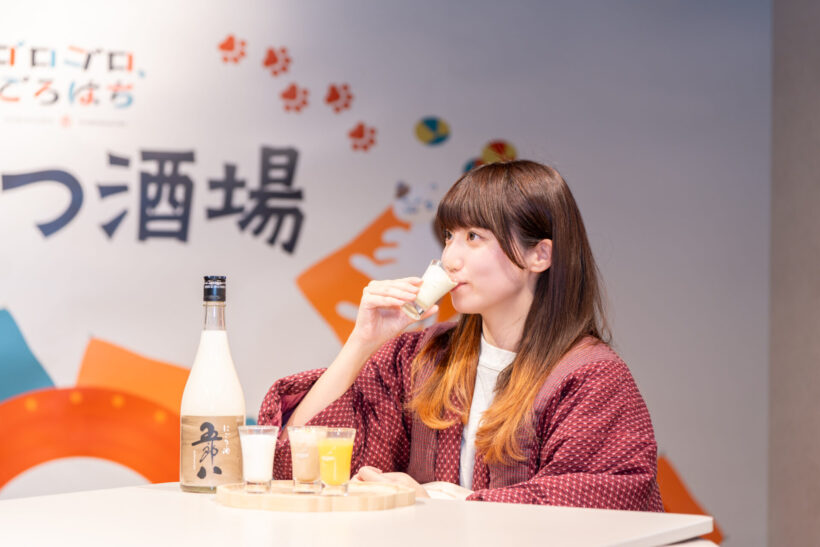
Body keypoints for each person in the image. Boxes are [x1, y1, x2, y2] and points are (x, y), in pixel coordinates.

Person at [259, 160, 663, 510]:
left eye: (474, 237)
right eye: (449, 236)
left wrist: (450, 501)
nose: (450, 259)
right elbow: (298, 464)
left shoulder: (591, 377)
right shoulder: (421, 356)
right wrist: (361, 342)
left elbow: (596, 501)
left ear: (539, 255)